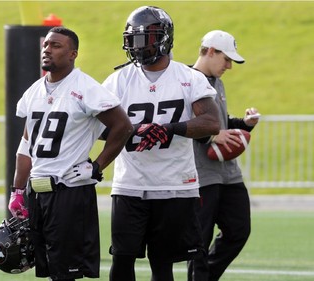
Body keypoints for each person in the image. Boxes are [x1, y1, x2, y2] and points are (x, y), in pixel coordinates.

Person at [102, 6, 220, 281]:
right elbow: (96, 127)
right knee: (121, 260)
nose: (138, 45)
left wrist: (168, 129)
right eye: (133, 39)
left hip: (175, 184)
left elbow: (212, 123)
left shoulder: (189, 77)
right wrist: (132, 131)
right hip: (130, 184)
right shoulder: (118, 80)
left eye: (146, 38)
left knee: (163, 263)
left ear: (164, 38)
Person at [8, 26, 133, 281]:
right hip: (38, 193)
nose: (47, 50)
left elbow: (123, 126)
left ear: (73, 53)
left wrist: (97, 166)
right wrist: (17, 190)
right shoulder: (34, 91)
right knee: (49, 271)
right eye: (46, 45)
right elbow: (26, 144)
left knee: (67, 272)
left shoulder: (86, 87)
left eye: (56, 46)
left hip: (69, 191)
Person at [187, 30, 260, 281]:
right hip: (200, 174)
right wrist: (209, 136)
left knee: (239, 229)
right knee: (199, 239)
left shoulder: (218, 82)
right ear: (209, 51)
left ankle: (205, 276)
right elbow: (177, 123)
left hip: (228, 172)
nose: (229, 65)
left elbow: (220, 121)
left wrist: (244, 123)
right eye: (226, 59)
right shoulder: (185, 80)